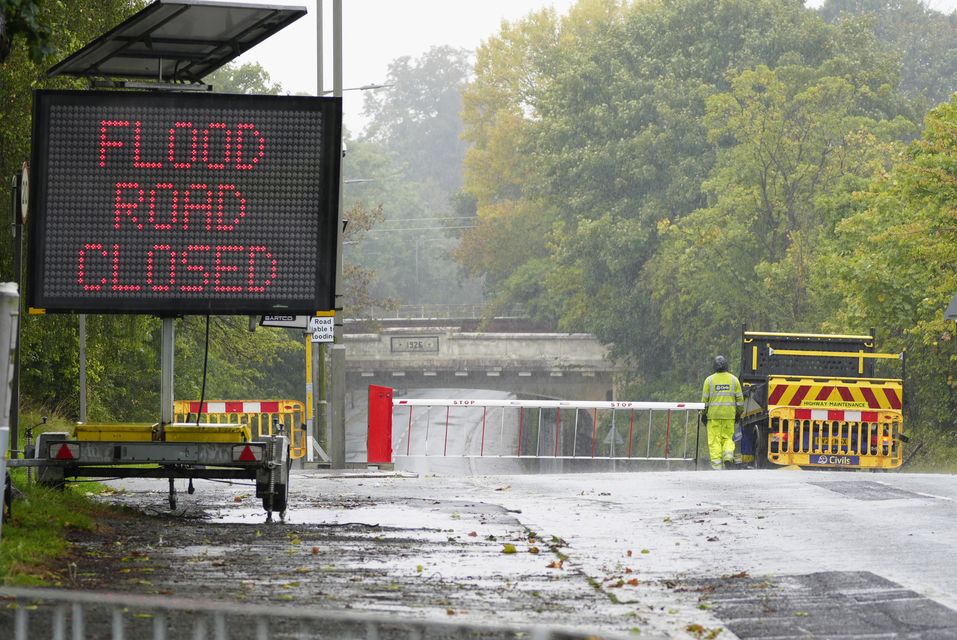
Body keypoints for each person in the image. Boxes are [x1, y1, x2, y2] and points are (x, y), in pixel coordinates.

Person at [701, 355, 743, 470]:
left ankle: (717, 466)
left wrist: (703, 414)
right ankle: (728, 457)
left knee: (714, 441)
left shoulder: (708, 381)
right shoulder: (734, 380)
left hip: (713, 417)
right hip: (729, 416)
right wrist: (738, 414)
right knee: (728, 438)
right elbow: (740, 401)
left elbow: (704, 401)